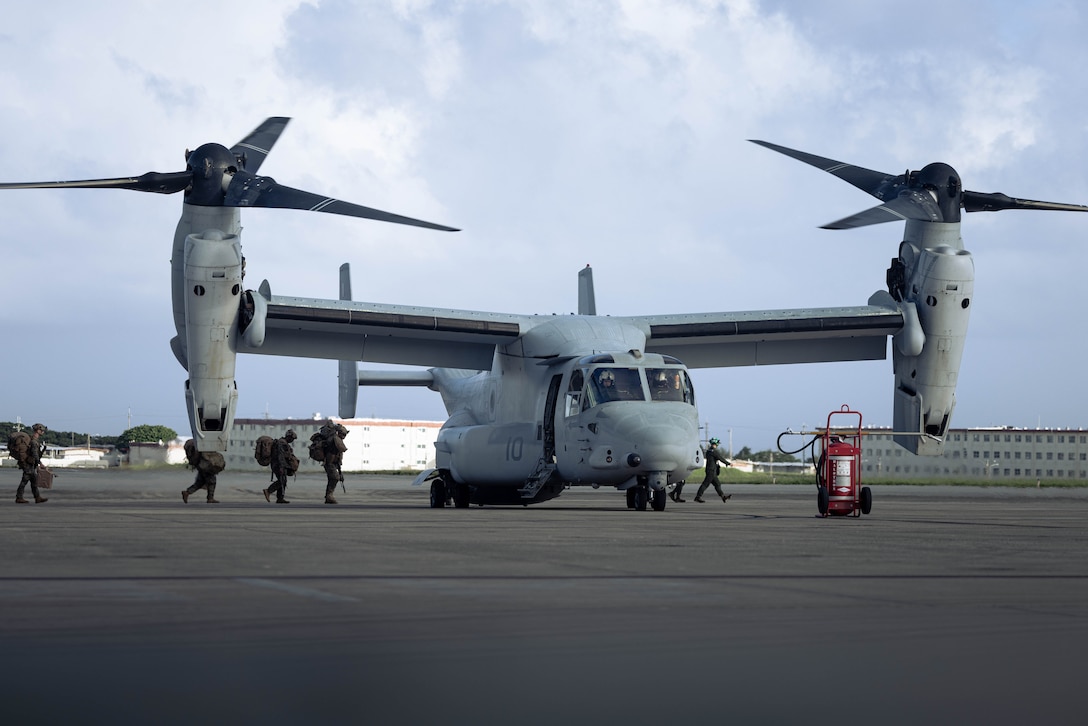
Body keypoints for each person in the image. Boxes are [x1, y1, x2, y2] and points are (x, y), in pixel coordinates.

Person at [15, 423, 49, 504]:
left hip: (30, 464)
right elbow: (34, 453)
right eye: (41, 430)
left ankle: (37, 497)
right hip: (28, 464)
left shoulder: (34, 440)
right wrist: (39, 463)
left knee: (34, 481)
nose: (43, 432)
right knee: (24, 481)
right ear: (37, 430)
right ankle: (19, 497)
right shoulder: (33, 441)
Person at [263, 429, 297, 504]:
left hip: (280, 465)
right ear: (288, 437)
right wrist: (281, 467)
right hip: (279, 465)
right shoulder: (282, 443)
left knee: (283, 481)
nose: (292, 440)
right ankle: (268, 491)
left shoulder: (283, 442)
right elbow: (280, 456)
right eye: (291, 438)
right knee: (282, 481)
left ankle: (280, 498)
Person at [695, 437, 732, 503]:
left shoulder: (709, 451)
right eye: (717, 444)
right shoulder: (713, 452)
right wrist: (728, 463)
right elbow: (720, 458)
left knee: (717, 484)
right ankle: (697, 497)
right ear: (715, 444)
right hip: (711, 471)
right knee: (705, 484)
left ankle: (723, 497)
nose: (717, 445)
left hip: (711, 471)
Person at [319, 420, 348, 504]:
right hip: (329, 463)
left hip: (333, 463)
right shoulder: (334, 439)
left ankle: (328, 496)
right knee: (335, 478)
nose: (344, 436)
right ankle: (329, 496)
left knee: (332, 478)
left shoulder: (336, 439)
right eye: (343, 434)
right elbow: (341, 449)